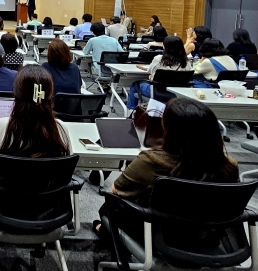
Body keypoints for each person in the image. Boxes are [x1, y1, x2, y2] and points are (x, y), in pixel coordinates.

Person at [95, 98, 238, 239]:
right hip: (207, 234)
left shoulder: (151, 161)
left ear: (170, 129)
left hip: (157, 234)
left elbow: (116, 189)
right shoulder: (229, 165)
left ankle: (106, 230)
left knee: (110, 205)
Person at [0, 64, 69, 215]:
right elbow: (64, 171)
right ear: (50, 94)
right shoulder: (61, 129)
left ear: (15, 93)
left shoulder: (0, 126)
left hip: (5, 209)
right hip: (47, 209)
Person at [127, 36, 192, 109]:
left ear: (165, 47)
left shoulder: (159, 59)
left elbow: (150, 71)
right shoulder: (186, 62)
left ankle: (131, 109)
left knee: (135, 85)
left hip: (157, 92)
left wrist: (152, 77)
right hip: (177, 94)